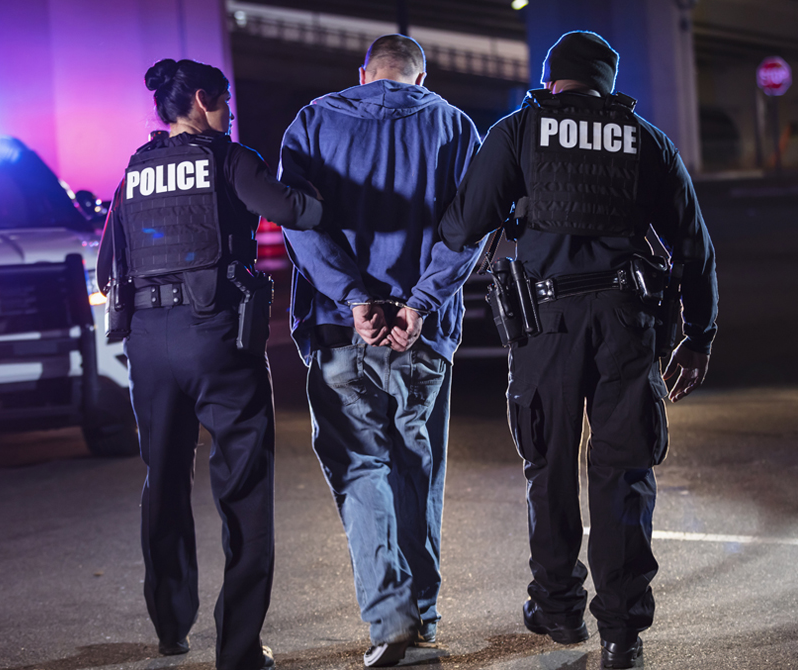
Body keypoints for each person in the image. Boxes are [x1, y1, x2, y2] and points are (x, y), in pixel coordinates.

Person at [439, 31, 718, 669]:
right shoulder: (645, 139)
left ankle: (559, 610)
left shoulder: (519, 131)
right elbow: (694, 247)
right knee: (624, 474)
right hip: (628, 323)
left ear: (552, 77)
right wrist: (699, 336)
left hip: (547, 323)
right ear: (607, 83)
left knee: (550, 463)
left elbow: (462, 224)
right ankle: (622, 632)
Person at [97, 58, 321, 670]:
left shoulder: (134, 171)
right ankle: (239, 649)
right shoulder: (227, 156)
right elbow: (295, 210)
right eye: (223, 102)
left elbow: (105, 265)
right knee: (243, 488)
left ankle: (170, 626)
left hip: (148, 343)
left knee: (163, 479)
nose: (227, 113)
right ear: (201, 100)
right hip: (217, 337)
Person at [278, 35, 484, 667]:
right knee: (416, 469)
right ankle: (422, 614)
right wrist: (420, 302)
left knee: (362, 471)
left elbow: (296, 219)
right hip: (421, 333)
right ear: (422, 78)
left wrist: (351, 296)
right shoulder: (452, 125)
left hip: (344, 331)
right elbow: (469, 225)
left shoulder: (313, 121)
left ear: (362, 73)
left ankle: (392, 623)